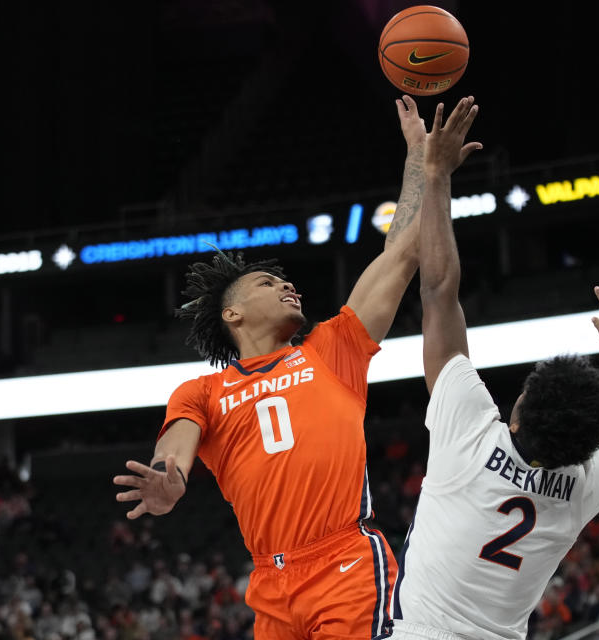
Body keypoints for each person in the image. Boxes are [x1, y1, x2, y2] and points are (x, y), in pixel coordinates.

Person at [112, 95, 475, 640]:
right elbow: (175, 449)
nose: (286, 283)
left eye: (284, 280)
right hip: (270, 586)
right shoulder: (201, 391)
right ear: (232, 312)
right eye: (266, 283)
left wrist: (421, 163)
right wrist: (170, 481)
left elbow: (402, 253)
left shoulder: (333, 348)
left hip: (344, 564)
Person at [388, 100, 599, 640]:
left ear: (517, 412)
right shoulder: (584, 481)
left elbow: (439, 290)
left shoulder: (468, 430)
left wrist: (435, 170)